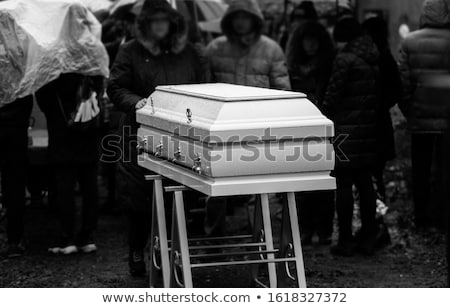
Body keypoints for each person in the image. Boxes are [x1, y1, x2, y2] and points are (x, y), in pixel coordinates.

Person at [107, 0, 206, 277]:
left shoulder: (190, 53)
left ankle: (173, 252)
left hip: (180, 136)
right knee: (139, 199)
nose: (160, 25)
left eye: (165, 20)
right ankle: (137, 248)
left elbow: (204, 87)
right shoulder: (130, 51)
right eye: (155, 20)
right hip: (138, 136)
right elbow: (115, 86)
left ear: (173, 22)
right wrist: (136, 102)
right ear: (146, 23)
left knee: (178, 196)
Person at [320, 16, 380, 256]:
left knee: (343, 184)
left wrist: (322, 115)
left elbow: (332, 97)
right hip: (369, 130)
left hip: (345, 132)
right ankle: (368, 236)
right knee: (366, 183)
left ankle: (345, 239)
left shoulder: (344, 60)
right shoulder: (372, 55)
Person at [35, 74, 104, 255]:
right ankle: (87, 237)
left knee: (65, 188)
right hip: (88, 137)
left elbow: (43, 102)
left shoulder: (52, 72)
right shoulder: (91, 67)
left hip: (62, 137)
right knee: (90, 187)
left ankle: (67, 238)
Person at [399, 0, 450, 231]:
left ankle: (421, 219)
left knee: (421, 170)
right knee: (443, 171)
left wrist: (409, 110)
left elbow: (404, 83)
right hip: (447, 118)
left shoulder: (410, 41)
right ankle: (441, 219)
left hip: (420, 118)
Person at [286, 21, 335, 245]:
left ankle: (323, 229)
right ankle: (306, 228)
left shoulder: (329, 66)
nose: (311, 45)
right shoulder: (293, 67)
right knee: (303, 181)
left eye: (314, 40)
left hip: (325, 126)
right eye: (307, 40)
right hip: (300, 125)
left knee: (324, 180)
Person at [206, 0, 291, 90]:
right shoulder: (215, 48)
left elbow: (282, 88)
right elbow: (205, 84)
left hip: (260, 103)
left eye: (245, 17)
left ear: (254, 19)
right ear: (230, 19)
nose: (240, 22)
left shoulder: (271, 49)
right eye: (236, 17)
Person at [363, 17, 402, 202]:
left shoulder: (363, 59)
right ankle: (378, 217)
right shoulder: (386, 58)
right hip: (380, 123)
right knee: (376, 175)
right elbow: (396, 91)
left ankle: (373, 218)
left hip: (365, 125)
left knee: (365, 177)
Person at [0, 96, 33, 258]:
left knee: (14, 185)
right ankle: (14, 240)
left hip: (14, 130)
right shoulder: (21, 76)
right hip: (15, 132)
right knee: (15, 185)